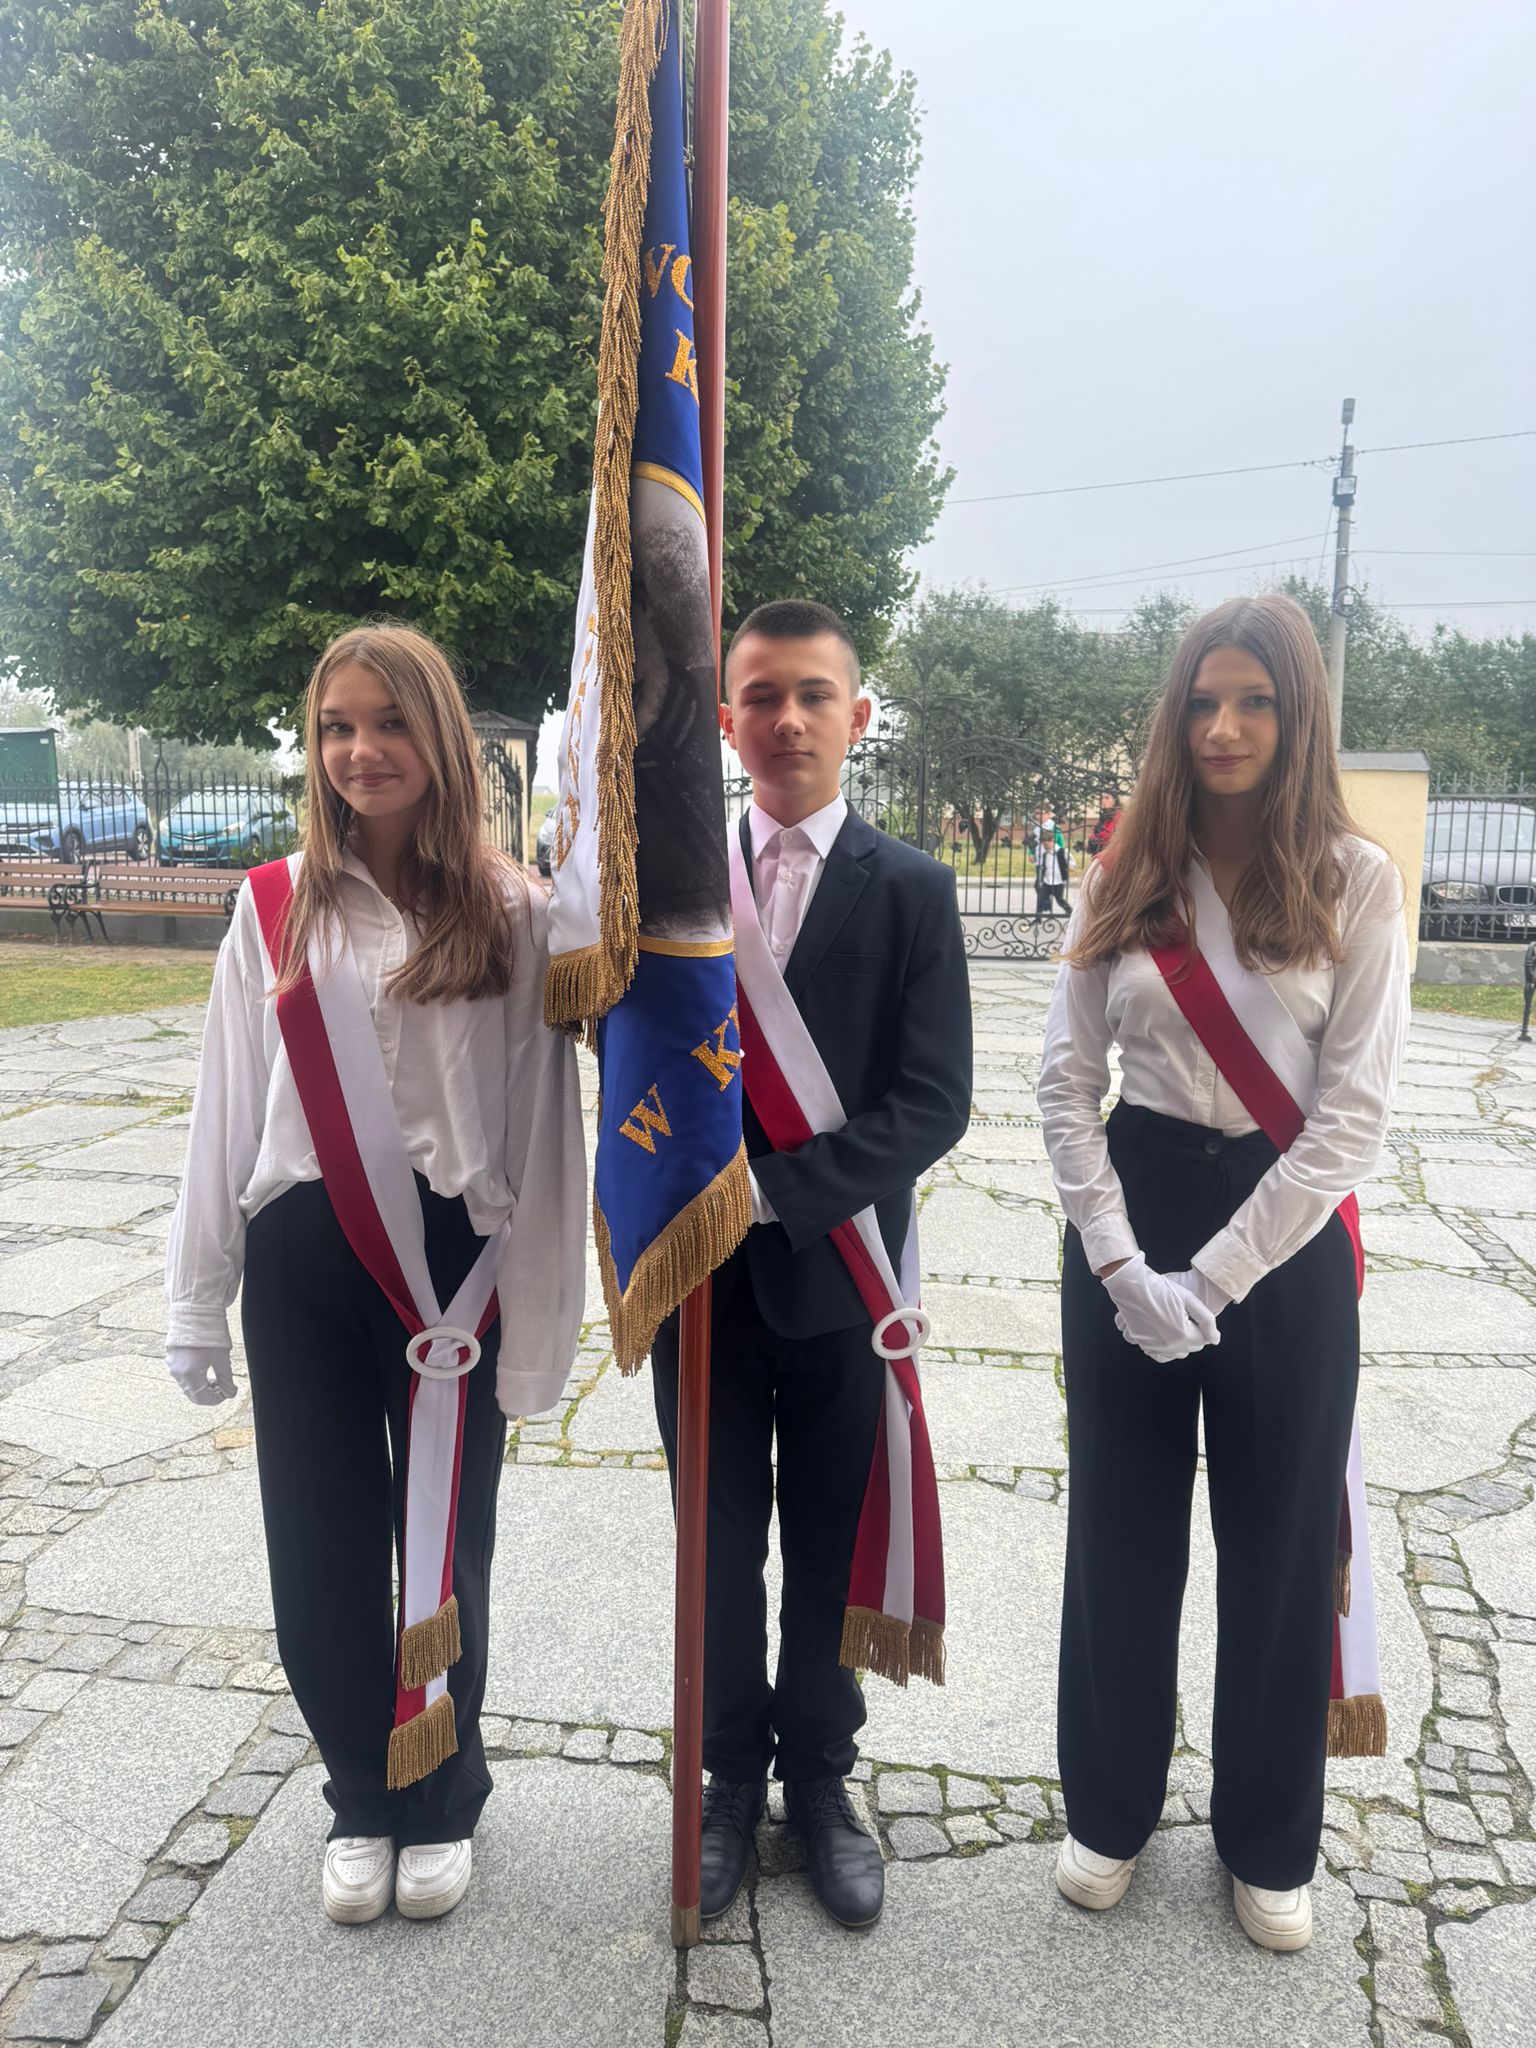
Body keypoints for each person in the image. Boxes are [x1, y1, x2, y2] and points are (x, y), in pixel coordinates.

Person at [163, 623, 585, 1926]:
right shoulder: (272, 906)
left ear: (441, 737)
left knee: (446, 1539)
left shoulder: (514, 912)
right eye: (337, 726)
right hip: (306, 1257)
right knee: (319, 1538)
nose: (361, 749)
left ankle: (443, 1792)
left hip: (451, 1269)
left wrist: (538, 1322)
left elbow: (541, 1126)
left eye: (390, 722)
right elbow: (227, 1107)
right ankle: (361, 1789)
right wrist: (197, 1296)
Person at [1037, 593, 1408, 1951]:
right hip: (1132, 1210)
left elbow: (1351, 1119)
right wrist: (1120, 1257)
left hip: (1285, 1238)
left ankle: (1267, 1837)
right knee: (1120, 1532)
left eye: (1254, 700)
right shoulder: (1125, 869)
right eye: (1202, 701)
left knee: (1280, 1544)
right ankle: (1110, 1808)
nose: (1225, 726)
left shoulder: (1357, 882)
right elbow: (1066, 1082)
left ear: (1299, 714)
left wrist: (1215, 1278)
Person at [651, 599, 972, 1930]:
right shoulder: (672, 886)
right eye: (763, 695)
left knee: (833, 1543)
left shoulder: (913, 889)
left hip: (843, 1279)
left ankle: (823, 1780)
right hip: (701, 1292)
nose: (788, 719)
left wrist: (773, 1194)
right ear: (725, 719)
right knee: (717, 1549)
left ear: (859, 715)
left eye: (815, 694)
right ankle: (730, 1777)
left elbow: (932, 1101)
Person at [1035, 816, 1070, 915]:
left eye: (1047, 843)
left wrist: (1068, 869)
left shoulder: (1061, 851)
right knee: (1041, 899)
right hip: (1047, 881)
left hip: (1058, 881)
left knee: (1060, 900)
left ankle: (1071, 912)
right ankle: (1038, 919)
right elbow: (1044, 867)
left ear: (1053, 841)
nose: (1045, 845)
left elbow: (1071, 862)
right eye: (1044, 844)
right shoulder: (1045, 854)